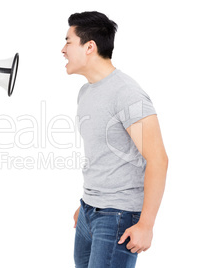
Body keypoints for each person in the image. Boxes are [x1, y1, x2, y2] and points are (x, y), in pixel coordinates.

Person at [61, 11, 168, 268]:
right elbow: (105, 154)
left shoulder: (127, 93)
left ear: (90, 47)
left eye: (68, 41)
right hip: (89, 211)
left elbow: (158, 160)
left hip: (118, 217)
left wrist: (146, 224)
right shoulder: (86, 92)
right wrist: (88, 204)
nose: (62, 49)